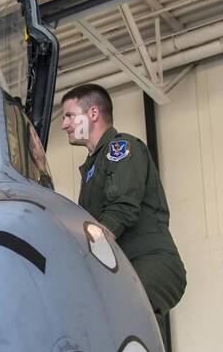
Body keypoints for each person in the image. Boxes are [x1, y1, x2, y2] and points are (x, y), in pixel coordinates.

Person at [60, 83, 187, 321]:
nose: (63, 124)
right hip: (123, 268)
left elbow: (122, 208)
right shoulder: (92, 167)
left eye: (69, 115)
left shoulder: (120, 148)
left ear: (93, 113)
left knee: (121, 319)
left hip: (148, 262)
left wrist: (85, 249)